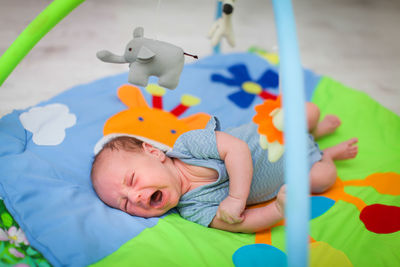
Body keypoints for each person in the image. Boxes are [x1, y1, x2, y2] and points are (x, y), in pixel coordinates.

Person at [90, 102, 358, 233]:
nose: (135, 197)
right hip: (300, 166)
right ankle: (327, 154)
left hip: (276, 132)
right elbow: (239, 223)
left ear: (154, 153)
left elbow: (237, 150)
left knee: (307, 110)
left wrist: (236, 198)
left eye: (133, 179)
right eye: (125, 204)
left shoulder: (189, 145)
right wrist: (276, 210)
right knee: (325, 178)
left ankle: (312, 130)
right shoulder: (194, 210)